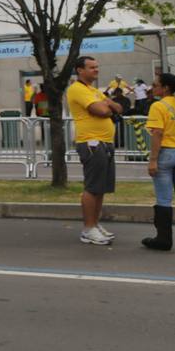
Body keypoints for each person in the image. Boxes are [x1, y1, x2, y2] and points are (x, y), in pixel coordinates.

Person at [66, 55, 118, 246]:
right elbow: (103, 111)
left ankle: (95, 224)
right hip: (91, 143)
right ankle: (88, 229)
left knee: (101, 187)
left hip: (106, 142)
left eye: (97, 67)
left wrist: (108, 104)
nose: (96, 70)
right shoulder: (77, 89)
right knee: (92, 187)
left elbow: (119, 107)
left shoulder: (94, 90)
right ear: (80, 70)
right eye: (92, 67)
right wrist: (108, 106)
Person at [143, 72, 175, 251]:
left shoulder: (158, 106)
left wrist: (153, 160)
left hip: (166, 154)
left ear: (165, 88)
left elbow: (157, 134)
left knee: (164, 199)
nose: (152, 88)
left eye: (155, 85)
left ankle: (163, 239)